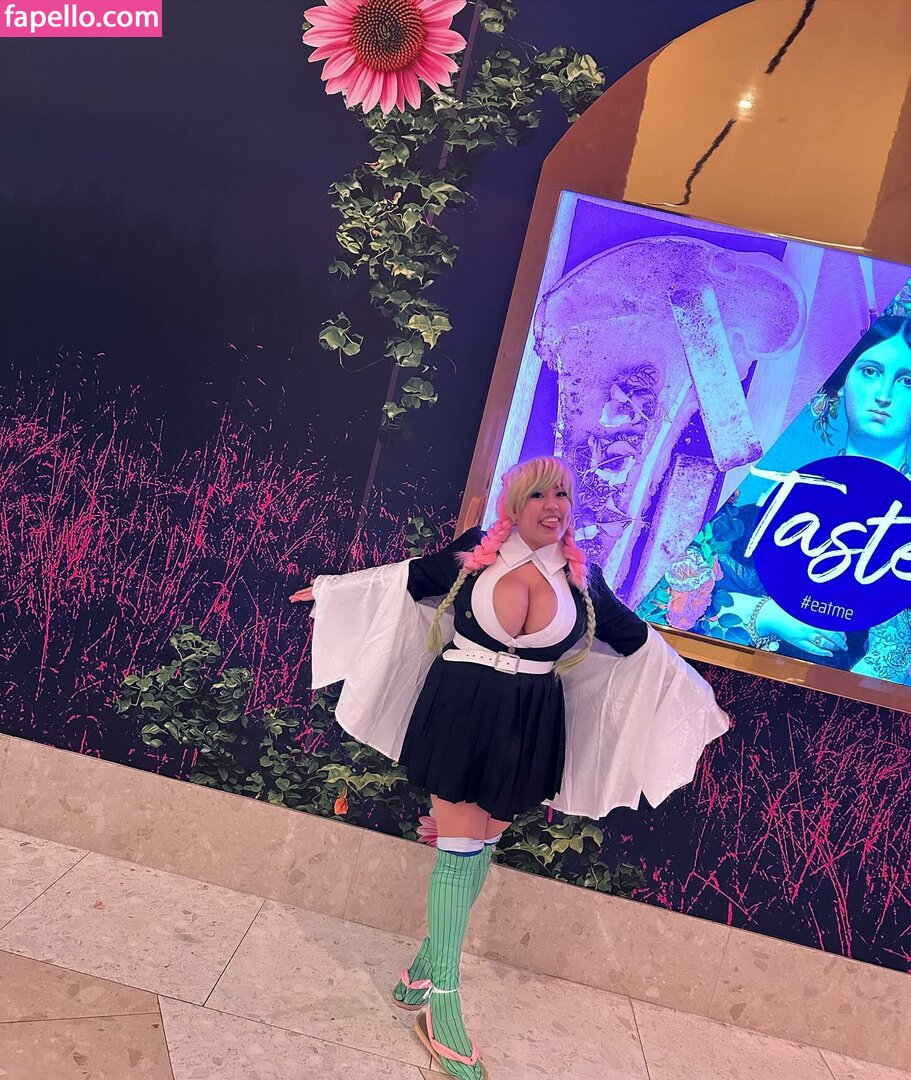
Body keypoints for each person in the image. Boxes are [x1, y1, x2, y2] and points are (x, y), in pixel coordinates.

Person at [291, 455, 728, 1078]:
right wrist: (334, 592)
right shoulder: (478, 552)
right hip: (460, 709)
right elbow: (411, 579)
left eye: (564, 496)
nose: (555, 506)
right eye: (541, 495)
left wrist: (696, 701)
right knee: (458, 851)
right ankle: (443, 1007)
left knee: (480, 848)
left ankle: (422, 969)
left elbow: (639, 645)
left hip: (529, 723)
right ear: (515, 504)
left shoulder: (583, 581)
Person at [712, 316, 911, 679]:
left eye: (907, 381)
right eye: (870, 371)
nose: (884, 395)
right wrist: (767, 616)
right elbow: (683, 599)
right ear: (844, 382)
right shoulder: (773, 500)